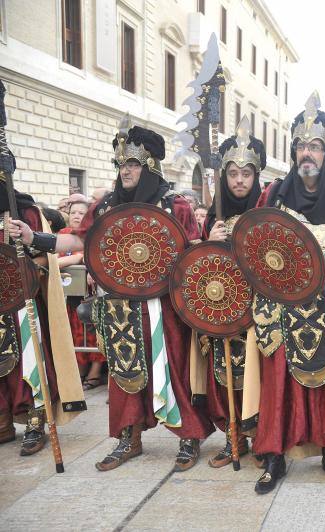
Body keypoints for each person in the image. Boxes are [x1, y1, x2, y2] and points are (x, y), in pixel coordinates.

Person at [9, 120, 214, 471]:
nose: (125, 170)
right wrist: (34, 238)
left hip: (164, 306)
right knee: (124, 371)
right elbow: (78, 239)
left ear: (148, 164)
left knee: (172, 369)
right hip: (119, 303)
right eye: (120, 164)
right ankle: (128, 436)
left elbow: (193, 249)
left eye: (132, 164)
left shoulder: (175, 205)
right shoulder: (106, 207)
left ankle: (188, 437)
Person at [245, 94, 325, 495]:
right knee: (279, 380)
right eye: (301, 145)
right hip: (280, 304)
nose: (307, 153)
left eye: (314, 146)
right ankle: (274, 455)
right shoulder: (274, 196)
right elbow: (255, 242)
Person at [2, 170, 85, 455]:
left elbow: (43, 254)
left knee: (28, 361)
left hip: (21, 300)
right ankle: (3, 420)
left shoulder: (25, 211)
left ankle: (36, 420)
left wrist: (23, 263)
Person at [199, 119, 266, 468]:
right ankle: (233, 435)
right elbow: (197, 264)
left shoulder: (268, 212)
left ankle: (261, 435)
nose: (239, 180)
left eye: (247, 173)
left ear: (256, 177)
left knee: (259, 374)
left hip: (258, 311)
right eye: (233, 173)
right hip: (223, 307)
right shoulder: (213, 217)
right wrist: (208, 242)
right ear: (224, 176)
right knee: (226, 373)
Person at [56, 199, 103, 390]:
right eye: (73, 212)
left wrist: (78, 258)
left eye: (81, 213)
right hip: (69, 295)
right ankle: (80, 370)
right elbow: (53, 261)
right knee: (76, 335)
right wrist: (78, 258)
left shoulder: (95, 235)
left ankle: (95, 372)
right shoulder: (63, 235)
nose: (76, 216)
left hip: (92, 296)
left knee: (93, 335)